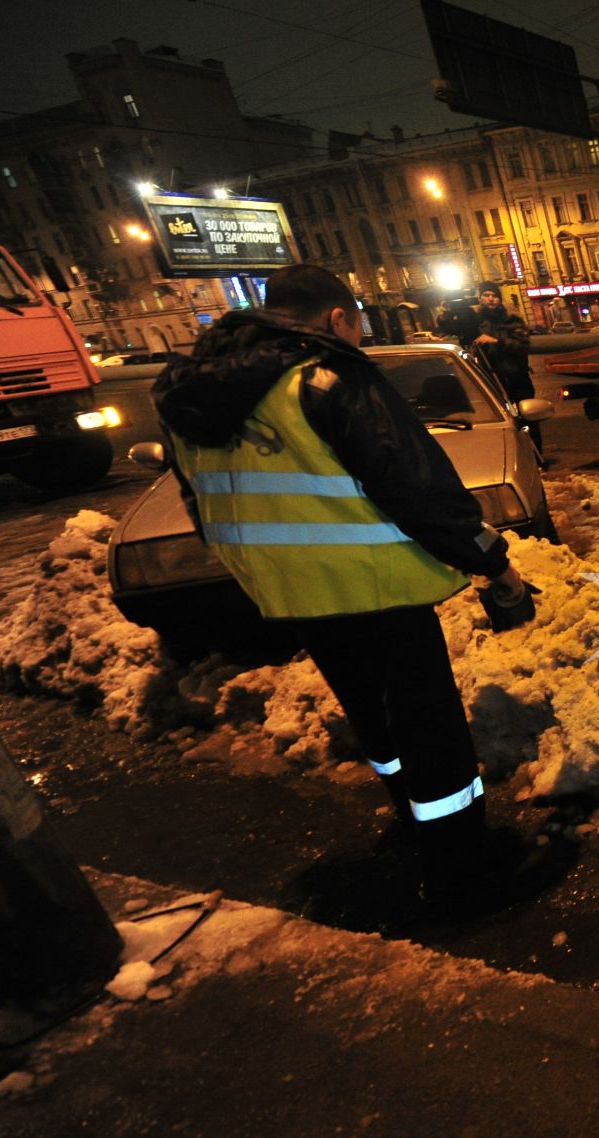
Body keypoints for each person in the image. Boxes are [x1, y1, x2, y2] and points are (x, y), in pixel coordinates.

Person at [152, 264, 544, 918]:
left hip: (292, 594)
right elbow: (419, 491)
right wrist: (494, 563)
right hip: (377, 586)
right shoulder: (327, 378)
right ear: (338, 318)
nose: (358, 335)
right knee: (430, 730)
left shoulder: (188, 395)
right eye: (358, 323)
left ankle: (412, 824)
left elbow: (198, 502)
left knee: (375, 720)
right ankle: (463, 872)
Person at [463, 284, 543, 461]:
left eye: (494, 296)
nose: (490, 299)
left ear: (500, 299)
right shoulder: (474, 322)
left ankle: (535, 457)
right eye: (486, 295)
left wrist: (496, 342)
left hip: (516, 374)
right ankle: (511, 458)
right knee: (500, 419)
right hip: (491, 377)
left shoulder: (511, 318)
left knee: (527, 415)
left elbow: (521, 344)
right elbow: (450, 329)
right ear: (480, 298)